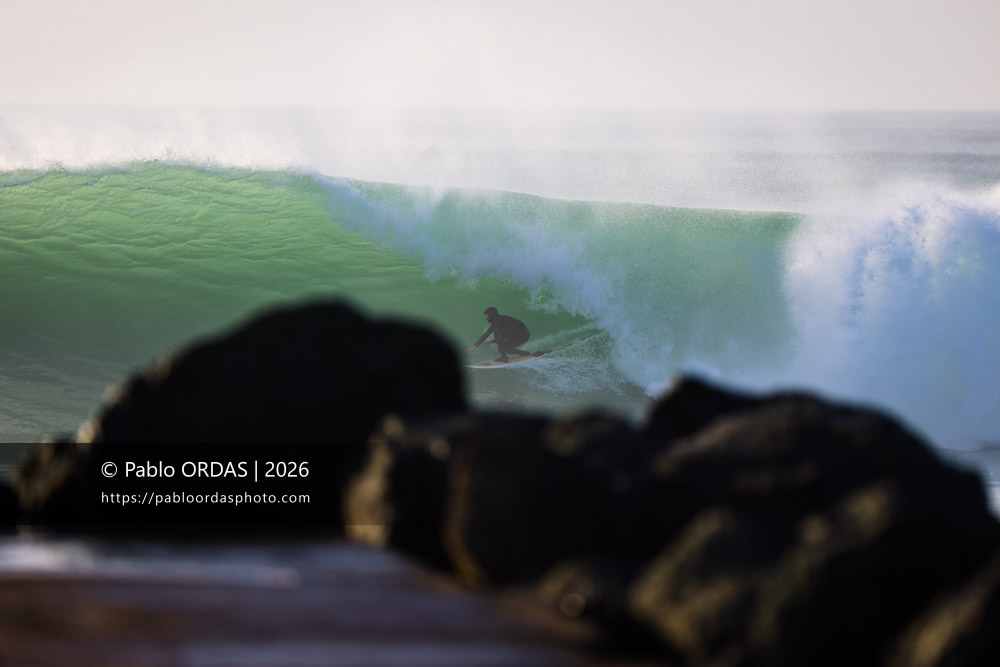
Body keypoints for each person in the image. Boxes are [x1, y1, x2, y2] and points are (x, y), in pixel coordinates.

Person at [466, 306, 531, 363]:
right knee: (503, 349)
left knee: (497, 332)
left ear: (491, 315)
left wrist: (476, 345)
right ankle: (524, 353)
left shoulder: (497, 321)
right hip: (521, 335)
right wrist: (491, 341)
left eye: (486, 315)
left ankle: (504, 357)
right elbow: (507, 334)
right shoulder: (500, 319)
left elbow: (488, 333)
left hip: (522, 334)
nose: (485, 317)